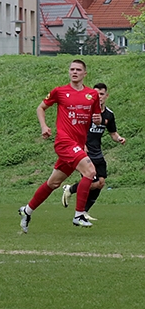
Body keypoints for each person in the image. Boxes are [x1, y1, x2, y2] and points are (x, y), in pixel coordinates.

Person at [19, 59, 101, 232]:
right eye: (72, 69)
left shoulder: (92, 95)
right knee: (90, 171)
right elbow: (40, 108)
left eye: (78, 69)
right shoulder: (60, 91)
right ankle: (79, 214)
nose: (74, 72)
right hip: (64, 142)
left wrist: (97, 119)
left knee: (54, 183)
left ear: (85, 73)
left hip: (77, 145)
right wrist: (44, 126)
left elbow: (97, 116)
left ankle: (27, 210)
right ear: (69, 72)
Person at [60, 82, 124, 222]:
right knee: (92, 181)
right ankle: (71, 191)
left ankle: (84, 211)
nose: (98, 97)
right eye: (95, 94)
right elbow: (75, 129)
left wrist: (119, 139)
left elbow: (112, 133)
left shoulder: (109, 114)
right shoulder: (85, 111)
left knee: (100, 183)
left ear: (106, 96)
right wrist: (80, 145)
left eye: (101, 94)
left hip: (98, 153)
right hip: (84, 153)